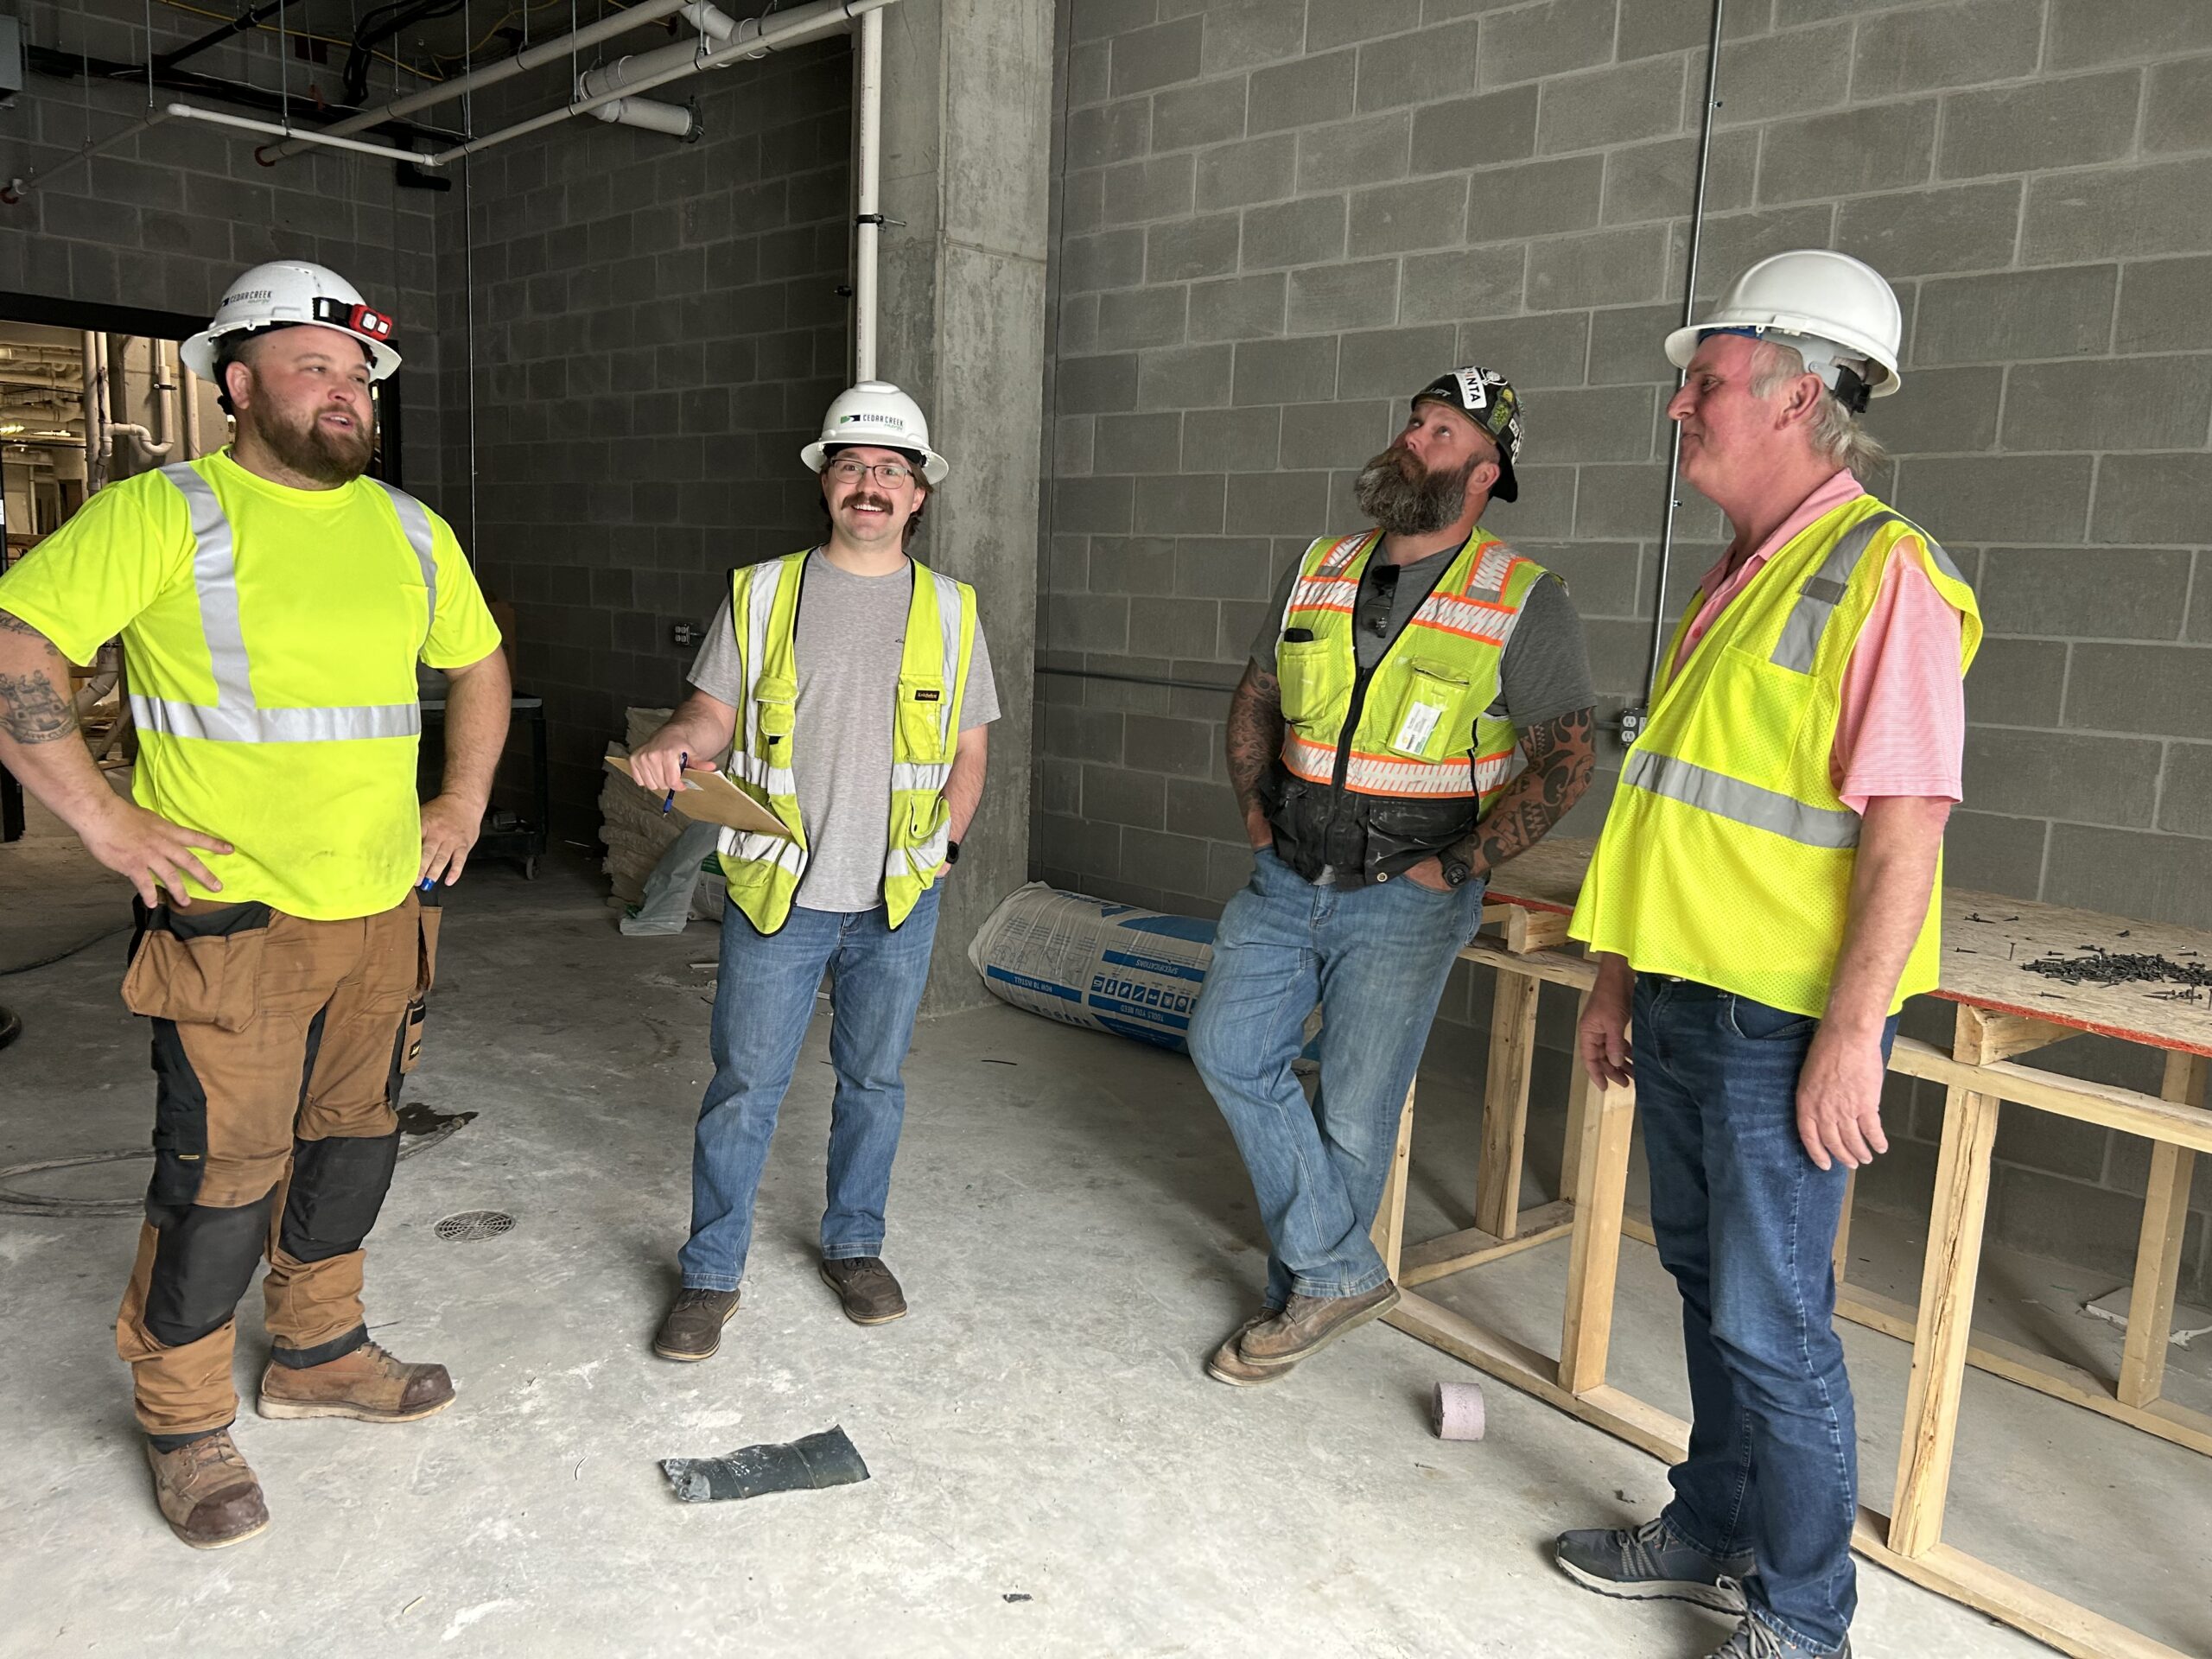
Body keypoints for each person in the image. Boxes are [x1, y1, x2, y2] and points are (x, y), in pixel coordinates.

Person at [0, 260, 510, 1549]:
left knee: (354, 1140)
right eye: (312, 368)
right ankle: (180, 1416)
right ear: (238, 384)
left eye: (357, 376)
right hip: (232, 925)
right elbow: (16, 652)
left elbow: (483, 664)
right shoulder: (165, 512)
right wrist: (105, 819)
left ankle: (320, 1349)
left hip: (386, 906)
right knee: (221, 1175)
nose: (343, 394)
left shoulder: (408, 529)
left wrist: (457, 806)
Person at [1556, 250, 1982, 1659]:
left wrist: (1854, 1034)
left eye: (1706, 383)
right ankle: (1712, 1525)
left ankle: (1805, 1624)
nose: (1681, 407)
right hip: (1686, 1003)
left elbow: (1904, 834)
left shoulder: (1884, 575)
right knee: (1709, 1292)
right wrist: (1618, 975)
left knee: (1774, 1327)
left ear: (1800, 394)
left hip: (1776, 1029)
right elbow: (1679, 810)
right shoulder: (1747, 577)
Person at [1188, 366, 1597, 1386]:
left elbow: (1566, 759)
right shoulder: (1321, 564)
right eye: (1414, 423)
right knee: (1228, 1048)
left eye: (1442, 432)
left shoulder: (1521, 597)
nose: (1414, 439)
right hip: (1287, 872)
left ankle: (1303, 1296)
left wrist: (1460, 864)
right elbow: (1258, 694)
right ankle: (1339, 1272)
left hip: (1407, 894)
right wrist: (1251, 807)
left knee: (1356, 1111)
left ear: (1485, 469)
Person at [631, 381, 998, 1361]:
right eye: (851, 466)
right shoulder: (760, 592)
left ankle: (855, 1246)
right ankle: (710, 1274)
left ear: (918, 495)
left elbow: (967, 752)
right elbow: (711, 712)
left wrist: (945, 849)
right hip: (779, 892)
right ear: (825, 483)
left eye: (889, 470)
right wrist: (677, 736)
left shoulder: (954, 612)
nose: (869, 485)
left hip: (896, 897)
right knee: (745, 1085)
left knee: (873, 1082)